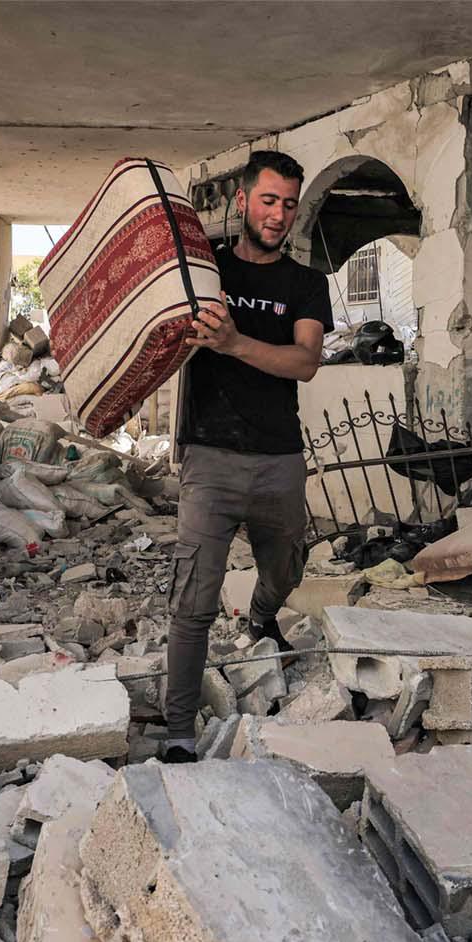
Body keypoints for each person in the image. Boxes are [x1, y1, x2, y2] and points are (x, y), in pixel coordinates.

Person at [160, 150, 333, 763]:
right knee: (193, 601)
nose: (278, 214)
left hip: (278, 457)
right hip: (209, 457)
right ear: (242, 200)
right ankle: (179, 732)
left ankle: (260, 619)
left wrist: (233, 342)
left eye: (289, 203)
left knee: (286, 570)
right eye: (268, 200)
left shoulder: (306, 284)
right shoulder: (204, 273)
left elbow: (304, 363)